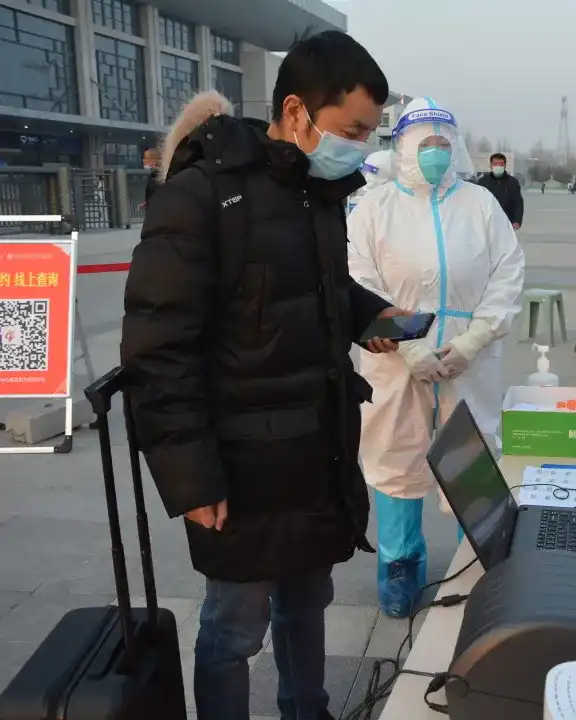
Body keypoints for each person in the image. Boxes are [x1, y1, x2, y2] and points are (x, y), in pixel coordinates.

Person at [121, 32, 409, 720]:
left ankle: (306, 709)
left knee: (307, 602)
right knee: (233, 628)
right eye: (352, 131)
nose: (360, 147)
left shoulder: (316, 191)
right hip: (241, 466)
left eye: (369, 133)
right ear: (297, 111)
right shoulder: (200, 198)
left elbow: (309, 288)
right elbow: (158, 351)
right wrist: (193, 480)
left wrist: (370, 313)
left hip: (313, 451)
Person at [348, 98, 525, 618]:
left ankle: (481, 562)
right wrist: (408, 345)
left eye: (442, 144)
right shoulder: (373, 209)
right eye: (424, 144)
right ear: (403, 148)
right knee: (396, 456)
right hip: (394, 363)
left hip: (468, 359)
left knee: (472, 460)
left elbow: (508, 272)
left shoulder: (479, 204)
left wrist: (475, 338)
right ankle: (399, 566)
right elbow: (358, 281)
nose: (434, 153)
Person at [476, 152, 524, 229]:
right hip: (487, 222)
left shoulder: (513, 182)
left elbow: (518, 203)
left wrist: (517, 221)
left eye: (501, 164)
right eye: (495, 164)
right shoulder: (483, 182)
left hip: (507, 222)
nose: (498, 166)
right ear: (490, 165)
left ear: (505, 166)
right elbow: (477, 202)